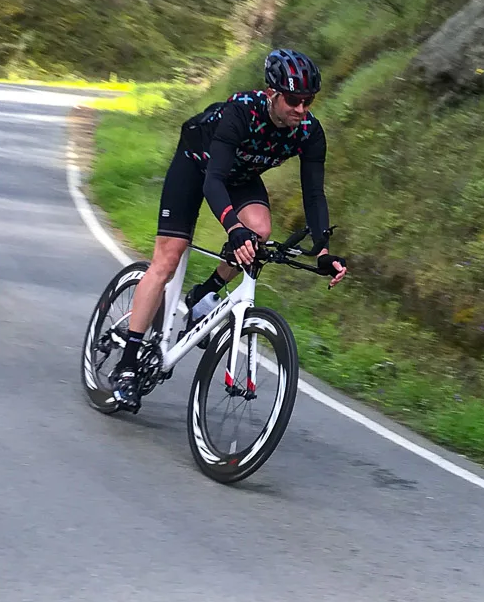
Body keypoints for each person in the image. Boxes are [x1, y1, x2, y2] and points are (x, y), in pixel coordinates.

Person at [110, 48, 348, 408]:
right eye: (294, 100)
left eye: (308, 100)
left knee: (259, 232)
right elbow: (213, 180)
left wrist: (323, 251)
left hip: (240, 176)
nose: (301, 109)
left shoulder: (309, 132)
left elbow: (314, 194)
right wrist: (232, 227)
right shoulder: (242, 112)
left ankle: (203, 294)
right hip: (197, 165)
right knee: (168, 258)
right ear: (272, 93)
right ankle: (127, 365)